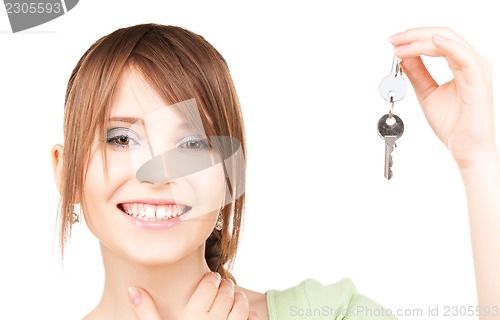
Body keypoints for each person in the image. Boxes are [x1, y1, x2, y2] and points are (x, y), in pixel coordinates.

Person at [51, 24, 500, 320]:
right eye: (121, 138)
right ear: (65, 171)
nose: (158, 171)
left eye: (191, 143)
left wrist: (477, 159)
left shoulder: (328, 313)